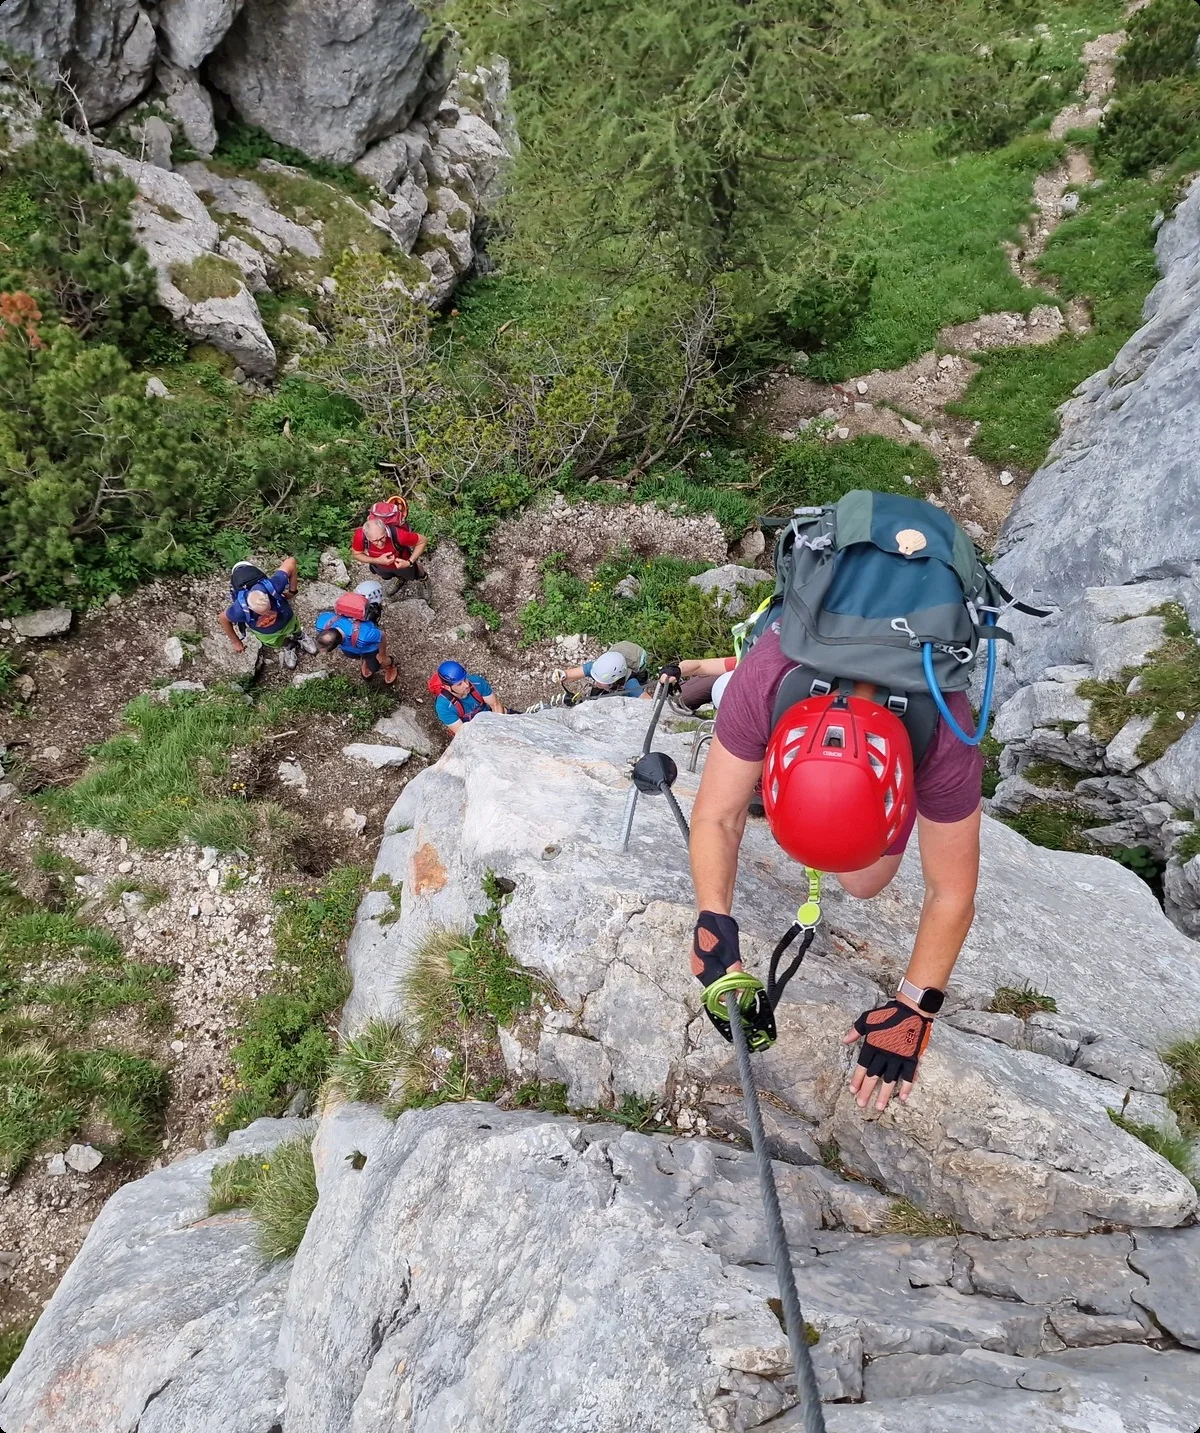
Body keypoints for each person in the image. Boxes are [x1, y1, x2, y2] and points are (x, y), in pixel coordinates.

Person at [219, 556, 317, 671]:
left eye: (268, 608)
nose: (268, 615)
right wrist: (235, 641)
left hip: (286, 619)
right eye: (262, 613)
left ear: (266, 595)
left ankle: (300, 636)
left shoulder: (271, 587)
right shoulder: (239, 609)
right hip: (266, 633)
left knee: (294, 627)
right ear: (249, 607)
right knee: (276, 641)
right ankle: (288, 645)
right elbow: (223, 618)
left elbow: (291, 562)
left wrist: (292, 590)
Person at [314, 583, 398, 683]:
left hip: (368, 649)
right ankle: (366, 660)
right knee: (355, 656)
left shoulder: (364, 637)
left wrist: (382, 655)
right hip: (352, 648)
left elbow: (382, 636)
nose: (321, 651)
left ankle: (390, 663)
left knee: (375, 667)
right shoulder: (321, 623)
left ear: (338, 643)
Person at [350, 495, 427, 594]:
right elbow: (356, 554)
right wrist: (377, 560)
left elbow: (423, 540)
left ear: (385, 530)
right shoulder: (360, 535)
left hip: (402, 563)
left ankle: (424, 579)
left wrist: (410, 562)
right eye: (375, 541)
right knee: (386, 575)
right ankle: (400, 579)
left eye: (382, 538)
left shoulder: (399, 535)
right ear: (367, 537)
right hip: (379, 565)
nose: (380, 543)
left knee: (415, 572)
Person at [431, 660, 505, 732]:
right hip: (471, 730)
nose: (466, 685)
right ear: (448, 688)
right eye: (459, 684)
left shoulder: (477, 682)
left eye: (465, 679)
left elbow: (495, 704)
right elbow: (463, 733)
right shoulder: (443, 706)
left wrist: (498, 728)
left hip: (490, 718)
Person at [558, 642, 650, 698]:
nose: (596, 683)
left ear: (614, 680)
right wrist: (562, 675)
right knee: (596, 693)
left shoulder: (631, 685)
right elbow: (568, 675)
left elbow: (648, 702)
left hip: (629, 687)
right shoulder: (597, 668)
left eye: (600, 681)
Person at [659, 655, 738, 710]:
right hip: (730, 676)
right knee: (684, 696)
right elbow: (699, 665)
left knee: (685, 698)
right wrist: (677, 669)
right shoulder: (743, 660)